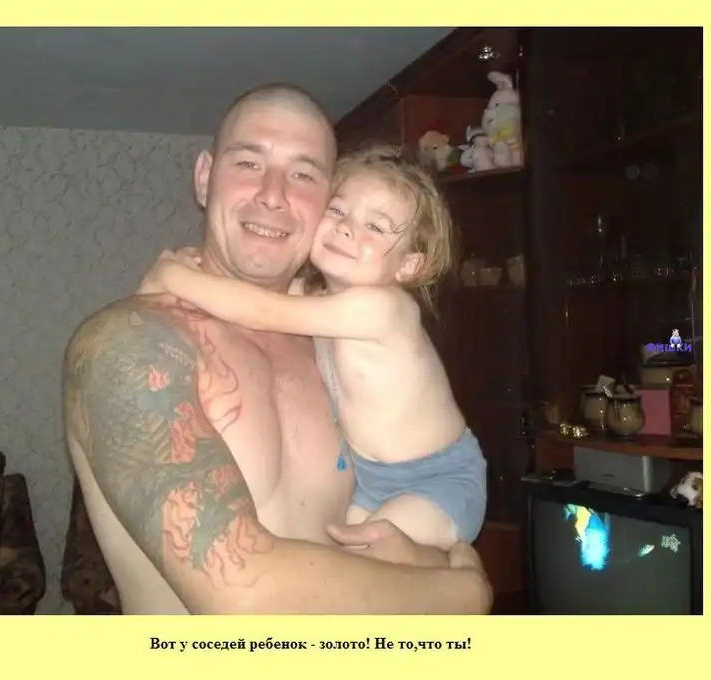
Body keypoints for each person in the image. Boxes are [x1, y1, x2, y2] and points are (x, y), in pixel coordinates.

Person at [62, 82, 493, 614]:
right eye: (249, 162)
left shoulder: (329, 344)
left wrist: (429, 565)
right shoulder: (131, 344)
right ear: (204, 177)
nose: (273, 194)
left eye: (304, 174)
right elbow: (241, 595)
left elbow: (405, 543)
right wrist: (464, 592)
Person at [138, 143, 487, 552]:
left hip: (437, 481)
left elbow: (262, 310)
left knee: (362, 564)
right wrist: (198, 262)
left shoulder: (384, 309)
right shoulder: (317, 296)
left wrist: (172, 277)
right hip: (369, 480)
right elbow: (247, 290)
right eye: (337, 211)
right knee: (334, 556)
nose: (346, 228)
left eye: (375, 227)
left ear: (409, 265)